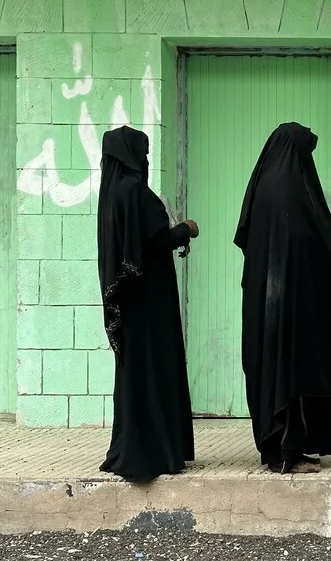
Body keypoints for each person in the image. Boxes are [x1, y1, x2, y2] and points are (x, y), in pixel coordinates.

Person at [235, 122, 331, 474]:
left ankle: (283, 448)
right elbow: (305, 243)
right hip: (285, 305)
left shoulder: (265, 186)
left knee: (272, 370)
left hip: (264, 303)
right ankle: (287, 452)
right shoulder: (290, 191)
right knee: (289, 372)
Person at [97, 126, 197, 481]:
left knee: (134, 373)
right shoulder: (134, 191)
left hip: (129, 302)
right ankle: (155, 453)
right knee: (155, 368)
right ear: (132, 155)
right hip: (149, 302)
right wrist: (186, 229)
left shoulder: (111, 192)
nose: (147, 159)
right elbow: (153, 241)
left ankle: (130, 447)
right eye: (144, 152)